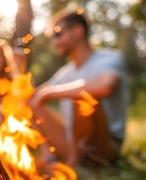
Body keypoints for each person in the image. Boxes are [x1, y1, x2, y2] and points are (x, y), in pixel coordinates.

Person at [30, 9, 129, 166]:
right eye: (51, 38)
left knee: (83, 99)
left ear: (78, 31)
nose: (54, 42)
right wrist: (17, 69)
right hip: (72, 144)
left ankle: (74, 167)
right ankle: (51, 158)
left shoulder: (109, 58)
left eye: (58, 34)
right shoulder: (66, 72)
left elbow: (105, 86)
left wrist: (50, 93)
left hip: (104, 146)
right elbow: (34, 95)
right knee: (32, 101)